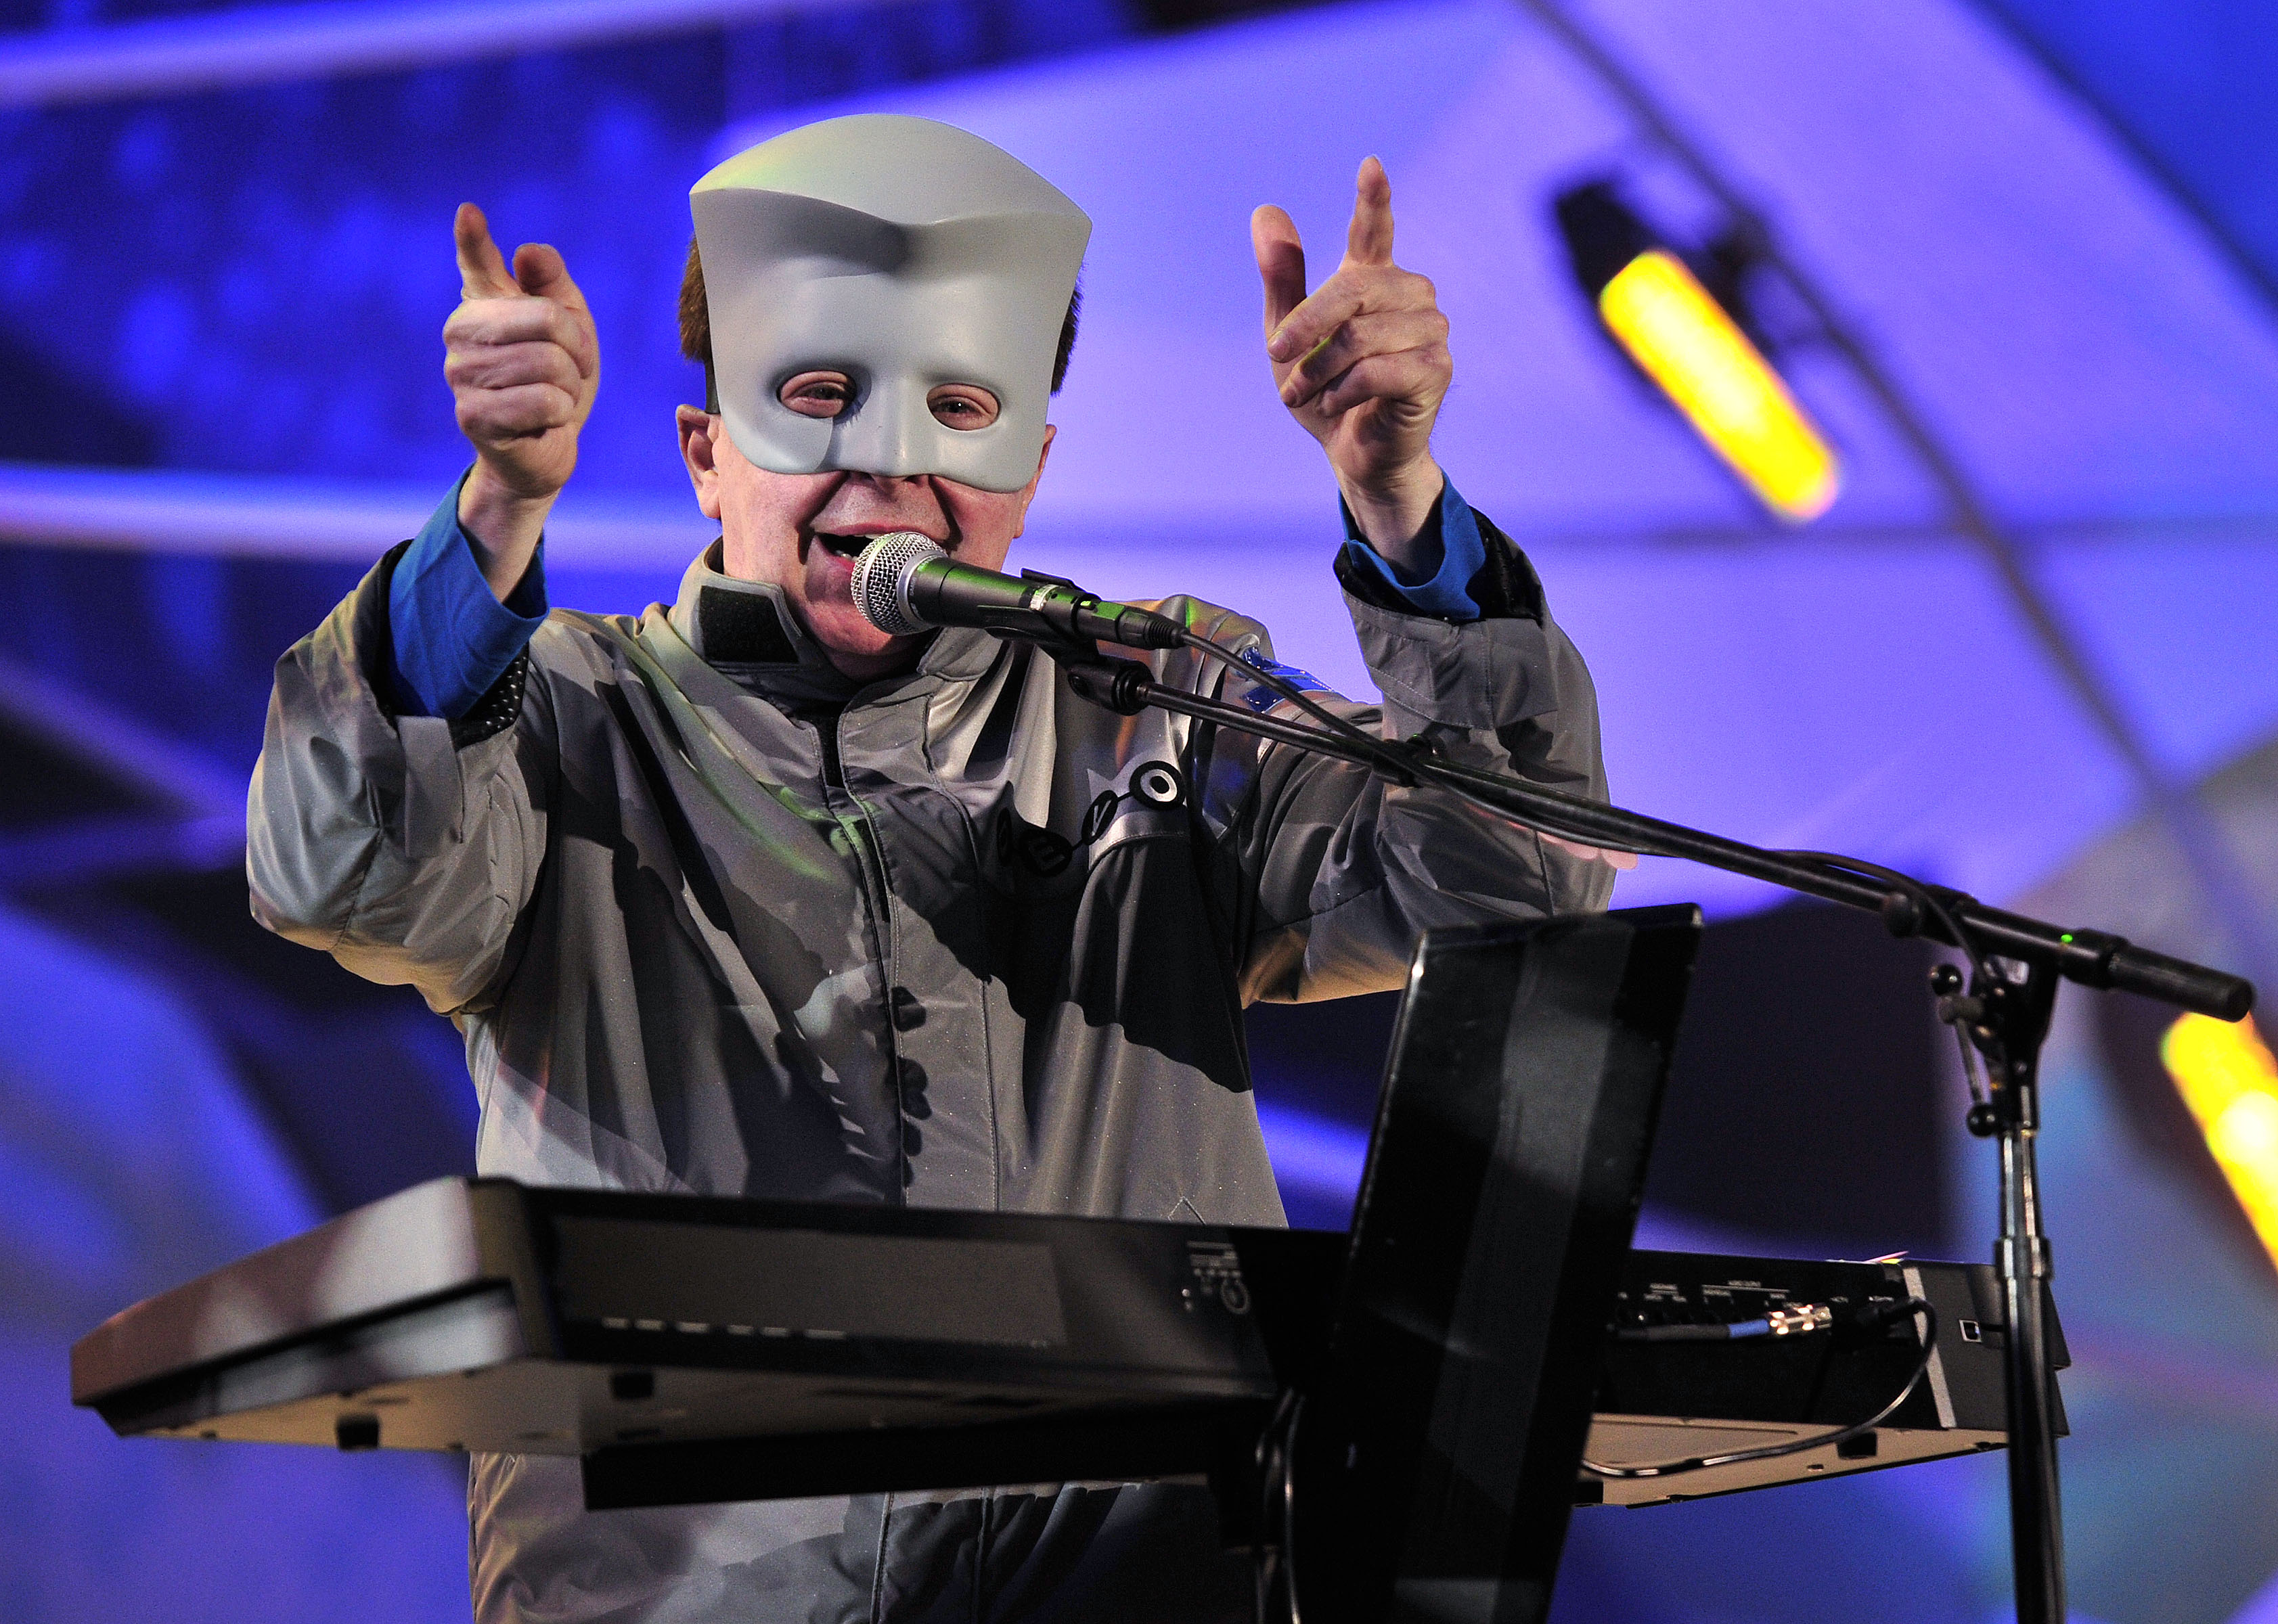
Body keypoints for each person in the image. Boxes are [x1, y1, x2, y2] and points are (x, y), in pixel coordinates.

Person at [246, 114, 1614, 1624]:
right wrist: (498, 513)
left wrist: (1402, 507)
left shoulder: (1159, 701)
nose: (890, 462)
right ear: (707, 455)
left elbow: (1518, 882)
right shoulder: (567, 719)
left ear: (1031, 472)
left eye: (959, 408)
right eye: (819, 397)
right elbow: (335, 870)